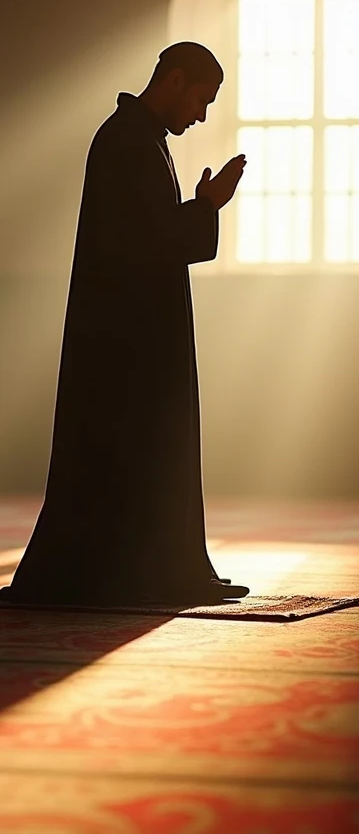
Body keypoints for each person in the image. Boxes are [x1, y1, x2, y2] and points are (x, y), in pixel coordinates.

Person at [0, 42, 249, 607]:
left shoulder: (141, 140)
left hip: (139, 327)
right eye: (202, 99)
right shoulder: (124, 142)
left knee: (156, 447)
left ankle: (171, 569)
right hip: (125, 339)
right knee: (136, 447)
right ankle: (146, 573)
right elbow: (147, 242)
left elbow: (150, 235)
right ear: (175, 80)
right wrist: (206, 205)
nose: (202, 114)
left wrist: (201, 206)